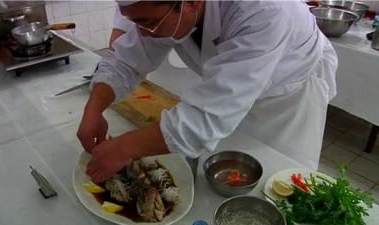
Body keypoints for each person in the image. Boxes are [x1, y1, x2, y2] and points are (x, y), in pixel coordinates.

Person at [78, 0, 338, 183]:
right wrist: (93, 110)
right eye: (135, 22)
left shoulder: (265, 9)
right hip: (232, 93)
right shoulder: (165, 11)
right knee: (226, 173)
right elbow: (125, 61)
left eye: (149, 23)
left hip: (287, 99)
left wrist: (122, 149)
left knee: (281, 181)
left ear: (191, 2)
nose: (143, 33)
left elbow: (206, 118)